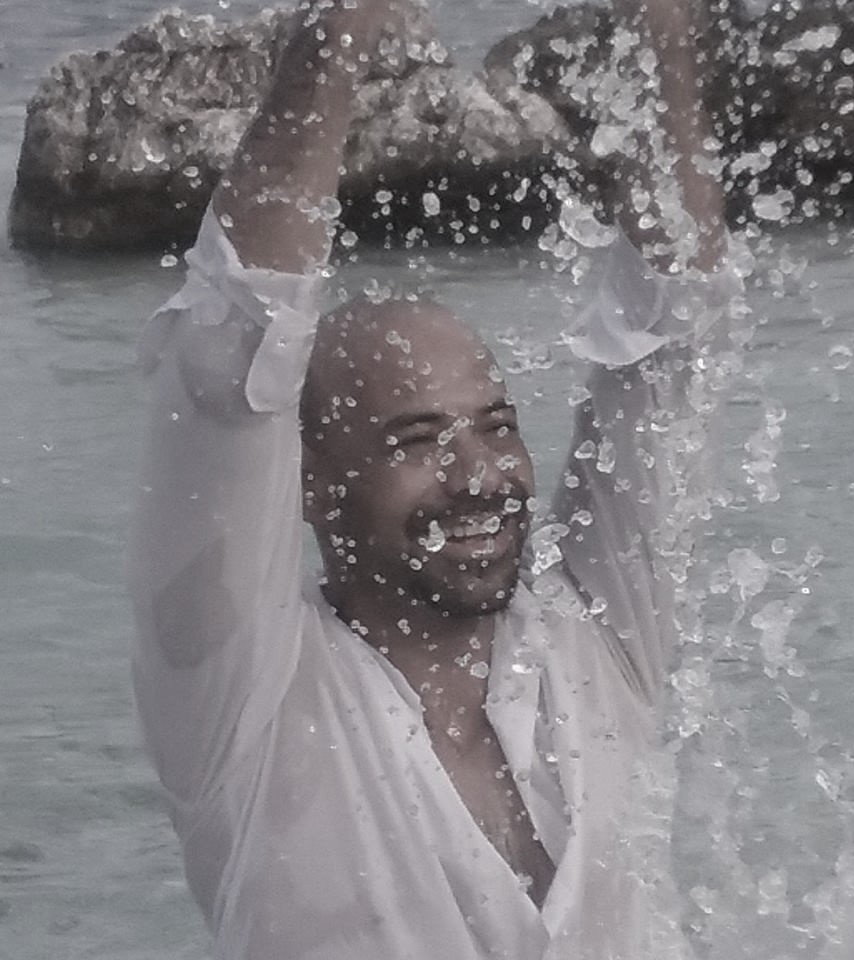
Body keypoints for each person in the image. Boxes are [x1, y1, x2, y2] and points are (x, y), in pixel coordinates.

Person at [129, 0, 744, 957]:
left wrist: (662, 26)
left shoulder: (602, 640)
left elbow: (677, 331)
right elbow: (232, 353)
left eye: (497, 426)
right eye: (415, 441)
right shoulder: (245, 705)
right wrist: (338, 33)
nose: (480, 476)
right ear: (308, 483)